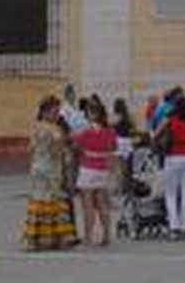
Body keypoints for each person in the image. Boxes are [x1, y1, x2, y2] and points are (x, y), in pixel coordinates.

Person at [22, 97, 78, 250]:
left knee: (39, 200)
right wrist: (65, 151)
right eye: (55, 111)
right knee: (53, 200)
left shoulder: (36, 127)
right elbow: (56, 151)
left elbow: (30, 149)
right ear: (46, 112)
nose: (57, 115)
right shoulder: (54, 129)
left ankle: (36, 239)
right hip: (51, 169)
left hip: (37, 168)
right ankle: (54, 238)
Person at [72, 99, 118, 246]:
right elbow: (114, 147)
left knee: (88, 205)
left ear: (92, 114)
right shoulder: (110, 131)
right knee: (102, 204)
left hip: (88, 167)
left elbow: (76, 145)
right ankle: (106, 236)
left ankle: (88, 237)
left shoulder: (87, 132)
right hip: (103, 168)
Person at [156, 94, 185, 237]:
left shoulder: (169, 119)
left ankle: (174, 226)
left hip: (173, 156)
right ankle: (184, 226)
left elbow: (156, 134)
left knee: (171, 193)